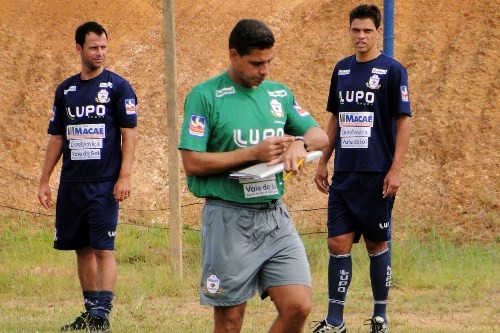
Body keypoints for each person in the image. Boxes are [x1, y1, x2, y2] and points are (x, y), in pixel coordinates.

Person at [179, 19, 328, 333]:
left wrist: (299, 143)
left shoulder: (279, 95)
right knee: (231, 322)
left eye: (269, 62)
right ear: (234, 55)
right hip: (228, 219)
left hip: (275, 218)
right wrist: (252, 153)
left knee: (298, 306)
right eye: (256, 63)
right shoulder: (205, 96)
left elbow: (320, 135)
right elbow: (191, 162)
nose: (265, 70)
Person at [311, 4, 411, 333]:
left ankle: (379, 316)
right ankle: (335, 320)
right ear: (349, 30)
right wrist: (323, 160)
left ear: (378, 32)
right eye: (356, 30)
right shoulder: (341, 70)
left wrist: (395, 169)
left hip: (376, 174)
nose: (361, 36)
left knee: (376, 244)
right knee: (337, 243)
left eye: (367, 30)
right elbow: (336, 119)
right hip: (344, 175)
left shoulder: (393, 71)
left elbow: (403, 122)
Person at [37, 21, 137, 333]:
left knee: (103, 249)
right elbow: (56, 138)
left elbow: (128, 135)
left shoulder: (118, 87)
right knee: (81, 248)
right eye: (93, 47)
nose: (100, 53)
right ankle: (90, 311)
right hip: (72, 184)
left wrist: (125, 177)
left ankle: (102, 315)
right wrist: (44, 180)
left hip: (104, 183)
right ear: (79, 48)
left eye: (104, 47)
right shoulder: (66, 90)